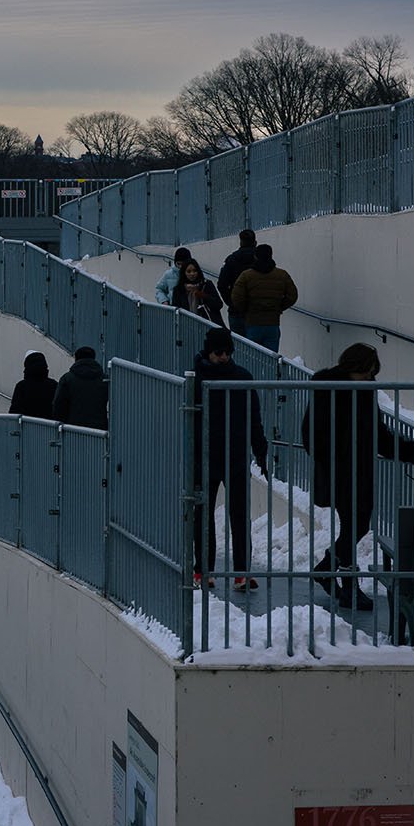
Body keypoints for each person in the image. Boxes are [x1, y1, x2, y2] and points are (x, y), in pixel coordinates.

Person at [304, 344, 414, 612]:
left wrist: (413, 452)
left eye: (372, 374)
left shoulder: (364, 390)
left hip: (358, 470)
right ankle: (347, 586)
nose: (370, 378)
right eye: (366, 373)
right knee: (354, 524)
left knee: (357, 525)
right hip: (339, 470)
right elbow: (312, 433)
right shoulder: (327, 388)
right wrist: (335, 459)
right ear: (352, 367)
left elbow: (378, 433)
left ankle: (327, 569)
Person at [192, 328, 268, 591]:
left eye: (227, 352)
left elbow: (254, 418)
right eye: (218, 353)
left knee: (239, 514)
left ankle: (241, 572)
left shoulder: (241, 378)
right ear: (208, 351)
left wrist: (261, 450)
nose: (224, 357)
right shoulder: (196, 380)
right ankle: (203, 570)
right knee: (203, 514)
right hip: (204, 456)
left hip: (234, 456)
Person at [229, 244, 298, 355]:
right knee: (271, 358)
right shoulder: (282, 275)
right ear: (271, 255)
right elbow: (292, 295)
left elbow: (236, 297)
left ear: (255, 256)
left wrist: (245, 310)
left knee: (252, 357)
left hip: (252, 321)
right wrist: (279, 307)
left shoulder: (246, 275)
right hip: (272, 322)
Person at [52, 347, 110, 430]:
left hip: (73, 429)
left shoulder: (67, 379)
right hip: (99, 430)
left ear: (76, 359)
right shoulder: (105, 379)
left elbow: (58, 405)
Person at [217, 230, 259, 335]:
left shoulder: (231, 260)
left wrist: (231, 302)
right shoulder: (260, 260)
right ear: (255, 242)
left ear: (240, 242)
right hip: (257, 311)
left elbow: (221, 285)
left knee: (239, 346)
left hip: (236, 311)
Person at [172, 259, 225, 327]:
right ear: (184, 273)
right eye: (189, 271)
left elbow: (218, 304)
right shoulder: (179, 289)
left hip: (207, 325)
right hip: (187, 326)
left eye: (195, 271)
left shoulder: (206, 285)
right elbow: (175, 309)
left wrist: (203, 295)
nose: (192, 274)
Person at [8, 352, 58, 419]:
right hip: (49, 427)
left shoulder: (21, 386)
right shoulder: (54, 385)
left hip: (26, 427)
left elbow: (14, 411)